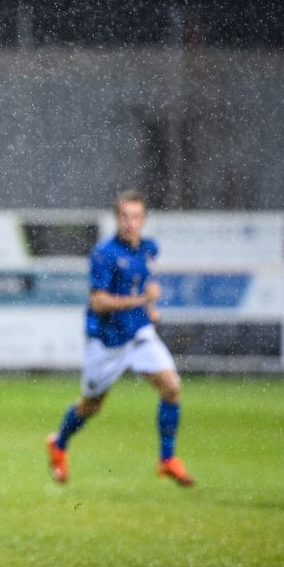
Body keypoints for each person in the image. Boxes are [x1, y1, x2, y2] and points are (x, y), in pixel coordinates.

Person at [46, 189, 194, 487]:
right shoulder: (104, 254)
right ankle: (59, 443)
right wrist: (142, 301)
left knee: (171, 387)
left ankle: (167, 458)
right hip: (106, 341)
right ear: (117, 218)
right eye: (125, 216)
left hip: (138, 333)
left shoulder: (148, 248)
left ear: (144, 219)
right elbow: (99, 301)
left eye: (136, 216)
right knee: (91, 406)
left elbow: (139, 281)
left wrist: (148, 308)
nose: (130, 222)